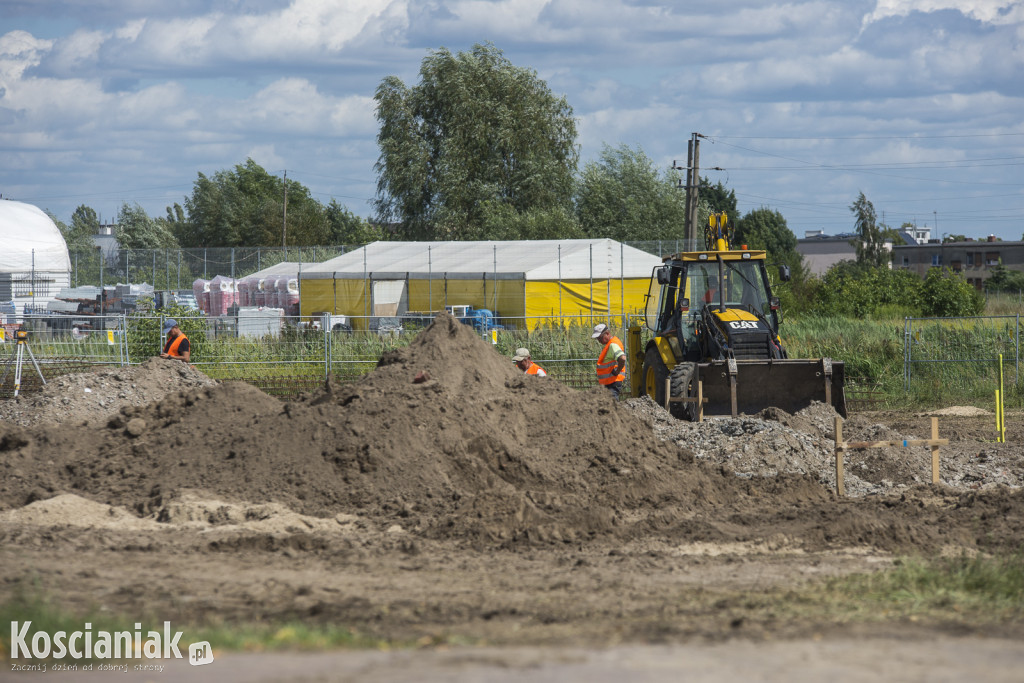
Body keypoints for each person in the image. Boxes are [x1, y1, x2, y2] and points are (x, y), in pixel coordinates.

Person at [591, 323, 626, 398]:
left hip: (613, 383)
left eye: (600, 338)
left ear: (607, 333)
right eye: (597, 339)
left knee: (611, 406)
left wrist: (617, 371)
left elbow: (622, 358)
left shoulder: (612, 345)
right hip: (610, 383)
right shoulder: (610, 344)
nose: (599, 341)